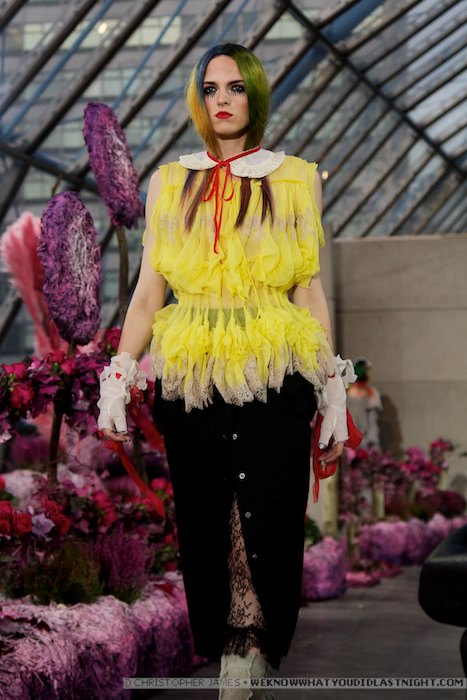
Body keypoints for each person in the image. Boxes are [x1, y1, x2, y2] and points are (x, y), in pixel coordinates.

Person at [97, 43, 353, 699]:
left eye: (236, 87)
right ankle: (234, 641)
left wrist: (333, 390)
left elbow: (309, 289)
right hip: (192, 373)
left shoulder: (296, 177)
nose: (222, 99)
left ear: (255, 95)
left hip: (275, 369)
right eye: (210, 88)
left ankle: (250, 642)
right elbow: (148, 294)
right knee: (210, 509)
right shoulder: (168, 181)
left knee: (266, 508)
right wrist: (118, 378)